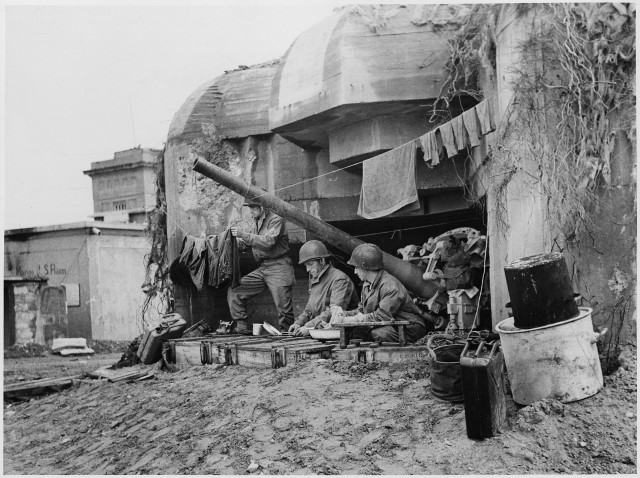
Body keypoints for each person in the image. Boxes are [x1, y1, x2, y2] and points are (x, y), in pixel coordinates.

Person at [331, 243, 427, 343]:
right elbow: (362, 310)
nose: (355, 272)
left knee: (379, 333)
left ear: (366, 267)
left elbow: (383, 316)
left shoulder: (390, 286)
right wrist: (344, 314)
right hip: (392, 326)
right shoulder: (367, 284)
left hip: (409, 330)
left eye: (356, 267)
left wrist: (355, 319)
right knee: (356, 331)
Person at [228, 200, 295, 333]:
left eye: (253, 207)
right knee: (235, 291)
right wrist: (228, 242)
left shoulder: (276, 219)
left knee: (284, 309)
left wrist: (242, 234)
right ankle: (241, 327)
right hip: (263, 267)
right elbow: (247, 244)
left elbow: (268, 242)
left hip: (279, 267)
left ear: (262, 207)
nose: (251, 211)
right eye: (250, 208)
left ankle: (288, 335)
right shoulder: (257, 221)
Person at [288, 240, 359, 336]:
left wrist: (309, 327)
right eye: (306, 265)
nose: (307, 269)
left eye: (310, 264)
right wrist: (298, 323)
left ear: (322, 261)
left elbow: (334, 312)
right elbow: (309, 310)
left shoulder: (340, 279)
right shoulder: (315, 278)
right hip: (321, 331)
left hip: (344, 335)